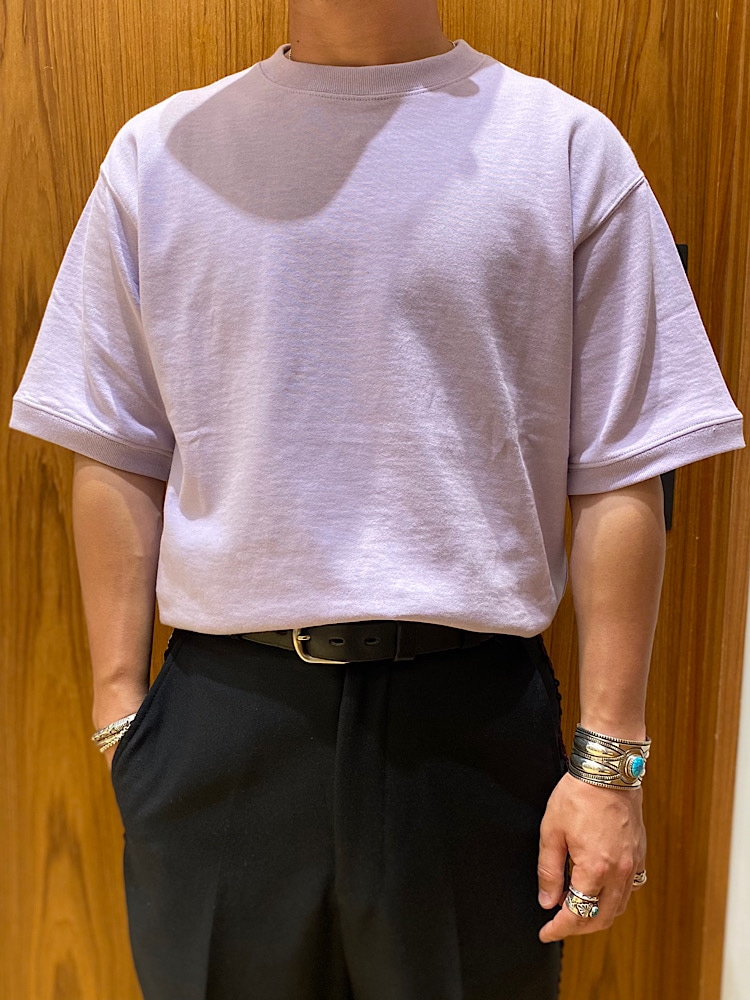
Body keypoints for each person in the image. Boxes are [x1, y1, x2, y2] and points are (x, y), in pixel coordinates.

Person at [8, 0, 745, 997]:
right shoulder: (158, 156)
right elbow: (116, 443)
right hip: (221, 724)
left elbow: (622, 464)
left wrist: (611, 764)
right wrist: (118, 714)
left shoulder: (567, 151)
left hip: (470, 730)